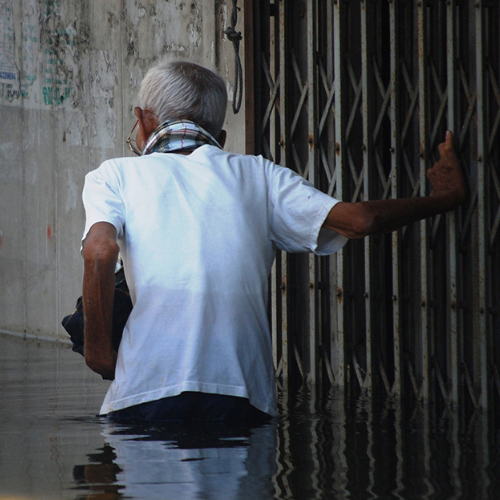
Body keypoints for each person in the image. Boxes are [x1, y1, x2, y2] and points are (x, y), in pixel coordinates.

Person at [81, 60, 466, 422]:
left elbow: (100, 252)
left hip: (145, 393)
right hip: (240, 396)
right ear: (221, 136)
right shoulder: (258, 174)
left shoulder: (114, 175)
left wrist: (99, 353)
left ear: (143, 122)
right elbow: (361, 220)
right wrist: (443, 198)